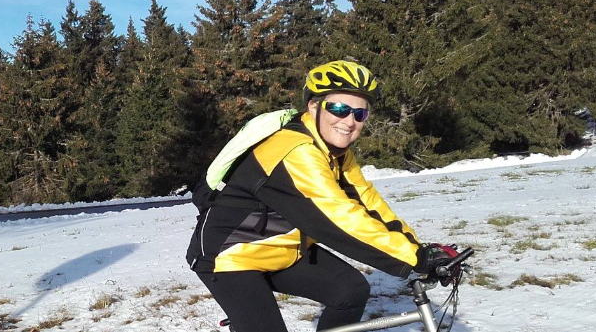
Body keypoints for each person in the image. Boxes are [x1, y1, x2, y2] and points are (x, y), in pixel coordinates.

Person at [186, 60, 456, 332]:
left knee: (350, 291)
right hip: (230, 257)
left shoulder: (335, 152)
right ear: (314, 106)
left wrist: (417, 247)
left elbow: (368, 204)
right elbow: (338, 218)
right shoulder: (294, 151)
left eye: (360, 114)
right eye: (339, 109)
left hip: (282, 250)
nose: (349, 121)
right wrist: (416, 259)